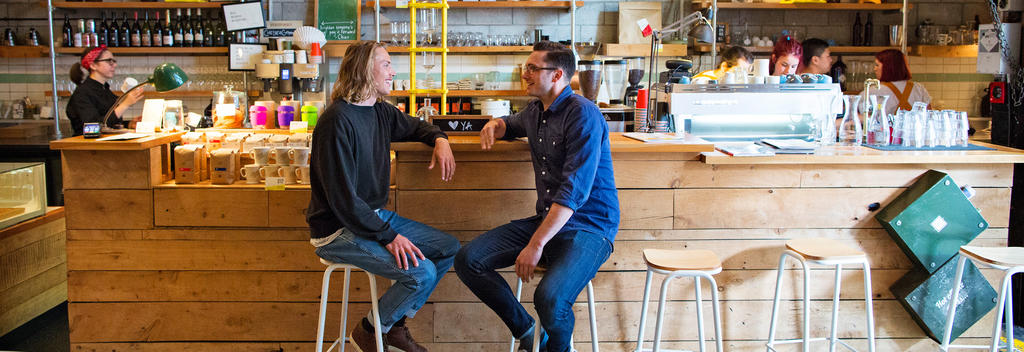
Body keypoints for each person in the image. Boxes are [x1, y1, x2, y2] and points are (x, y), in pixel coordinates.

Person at [453, 41, 619, 352]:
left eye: (532, 68)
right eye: (524, 67)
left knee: (549, 298)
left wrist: (536, 244)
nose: (524, 73)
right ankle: (527, 330)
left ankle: (557, 348)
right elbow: (510, 124)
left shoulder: (584, 115)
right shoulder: (535, 112)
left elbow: (573, 194)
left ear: (557, 75)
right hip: (548, 220)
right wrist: (495, 124)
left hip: (590, 228)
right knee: (468, 259)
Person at [306, 40, 459, 352]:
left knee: (448, 248)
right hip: (337, 230)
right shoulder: (336, 121)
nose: (393, 72)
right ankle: (372, 330)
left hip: (371, 218)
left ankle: (389, 325)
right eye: (387, 64)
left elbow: (419, 127)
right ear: (365, 69)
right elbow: (345, 202)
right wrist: (389, 237)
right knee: (421, 272)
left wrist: (440, 139)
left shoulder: (380, 112)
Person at [66, 45, 143, 136]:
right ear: (93, 65)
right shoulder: (82, 93)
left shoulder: (105, 89)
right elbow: (94, 127)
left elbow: (109, 124)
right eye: (109, 61)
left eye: (114, 61)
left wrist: (129, 124)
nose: (114, 65)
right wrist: (125, 104)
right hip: (86, 147)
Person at [873, 48, 931, 115]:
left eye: (877, 65)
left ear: (887, 67)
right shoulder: (919, 89)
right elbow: (929, 115)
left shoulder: (874, 91)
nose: (875, 69)